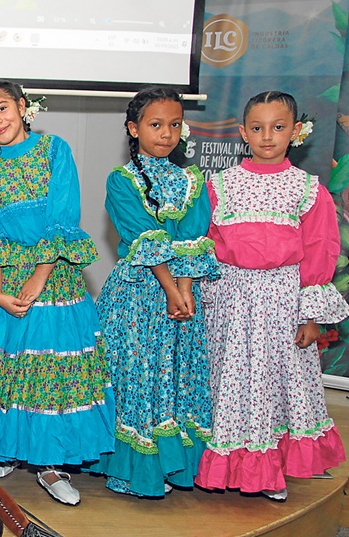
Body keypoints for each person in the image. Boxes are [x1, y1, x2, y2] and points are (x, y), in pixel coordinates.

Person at [0, 80, 115, 506]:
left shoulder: (54, 151)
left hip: (53, 276)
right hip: (1, 284)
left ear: (22, 107)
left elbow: (63, 216)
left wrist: (38, 278)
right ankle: (5, 449)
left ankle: (51, 463)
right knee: (5, 371)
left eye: (3, 108)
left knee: (49, 374)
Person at [196, 91, 349, 501]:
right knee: (228, 380)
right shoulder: (220, 185)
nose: (268, 136)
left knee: (274, 385)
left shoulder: (307, 190)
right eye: (258, 128)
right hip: (230, 301)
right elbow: (206, 242)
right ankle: (229, 462)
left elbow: (320, 251)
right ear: (243, 133)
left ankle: (269, 468)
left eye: (278, 127)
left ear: (296, 132)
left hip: (282, 302)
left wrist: (310, 314)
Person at [88, 87, 218, 498]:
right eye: (155, 124)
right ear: (134, 128)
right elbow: (146, 236)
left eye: (175, 124)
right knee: (138, 378)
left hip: (182, 294)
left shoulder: (192, 179)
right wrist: (170, 288)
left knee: (179, 376)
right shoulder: (122, 180)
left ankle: (176, 468)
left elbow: (195, 236)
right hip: (138, 297)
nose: (166, 133)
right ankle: (134, 469)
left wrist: (186, 291)